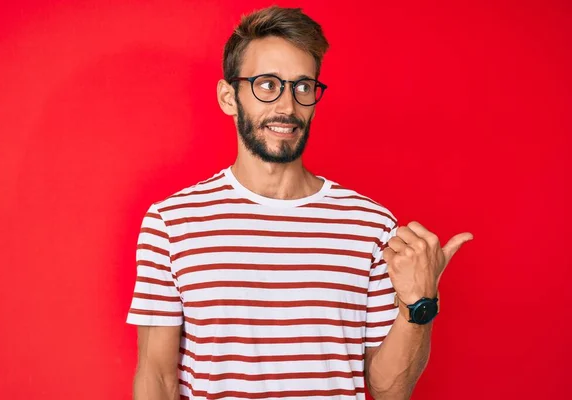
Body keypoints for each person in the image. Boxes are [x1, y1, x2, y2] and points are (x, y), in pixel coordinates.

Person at [127, 5, 473, 400]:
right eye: (267, 84)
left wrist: (420, 304)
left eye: (303, 87)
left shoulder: (371, 225)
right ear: (228, 97)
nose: (288, 107)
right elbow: (156, 377)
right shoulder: (173, 223)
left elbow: (389, 391)